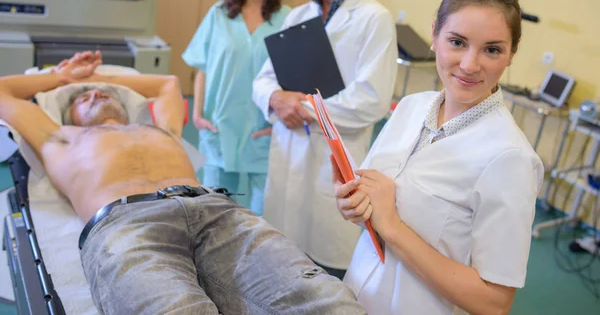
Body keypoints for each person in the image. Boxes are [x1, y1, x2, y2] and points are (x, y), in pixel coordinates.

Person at [0, 51, 367, 315]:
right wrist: (66, 78)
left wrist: (100, 78)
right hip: (127, 225)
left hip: (216, 210)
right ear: (68, 115)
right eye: (83, 97)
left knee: (330, 303)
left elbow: (167, 83)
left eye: (105, 92)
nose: (96, 93)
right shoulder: (59, 138)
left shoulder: (160, 128)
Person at [336, 0, 544, 315]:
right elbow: (371, 195)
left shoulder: (511, 158)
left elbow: (493, 303)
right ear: (435, 35)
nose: (469, 65)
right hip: (356, 295)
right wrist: (354, 205)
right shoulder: (410, 107)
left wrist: (393, 228)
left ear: (511, 54)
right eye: (457, 42)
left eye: (492, 49)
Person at [252, 0, 397, 278]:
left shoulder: (374, 19)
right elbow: (263, 79)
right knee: (279, 258)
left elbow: (371, 99)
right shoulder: (299, 15)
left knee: (326, 274)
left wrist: (298, 107)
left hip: (333, 165)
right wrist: (275, 98)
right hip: (289, 154)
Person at [182, 0, 291, 216]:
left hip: (265, 129)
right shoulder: (219, 15)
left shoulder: (289, 18)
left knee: (263, 215)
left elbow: (296, 79)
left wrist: (279, 121)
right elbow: (202, 67)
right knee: (215, 211)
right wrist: (197, 115)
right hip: (219, 125)